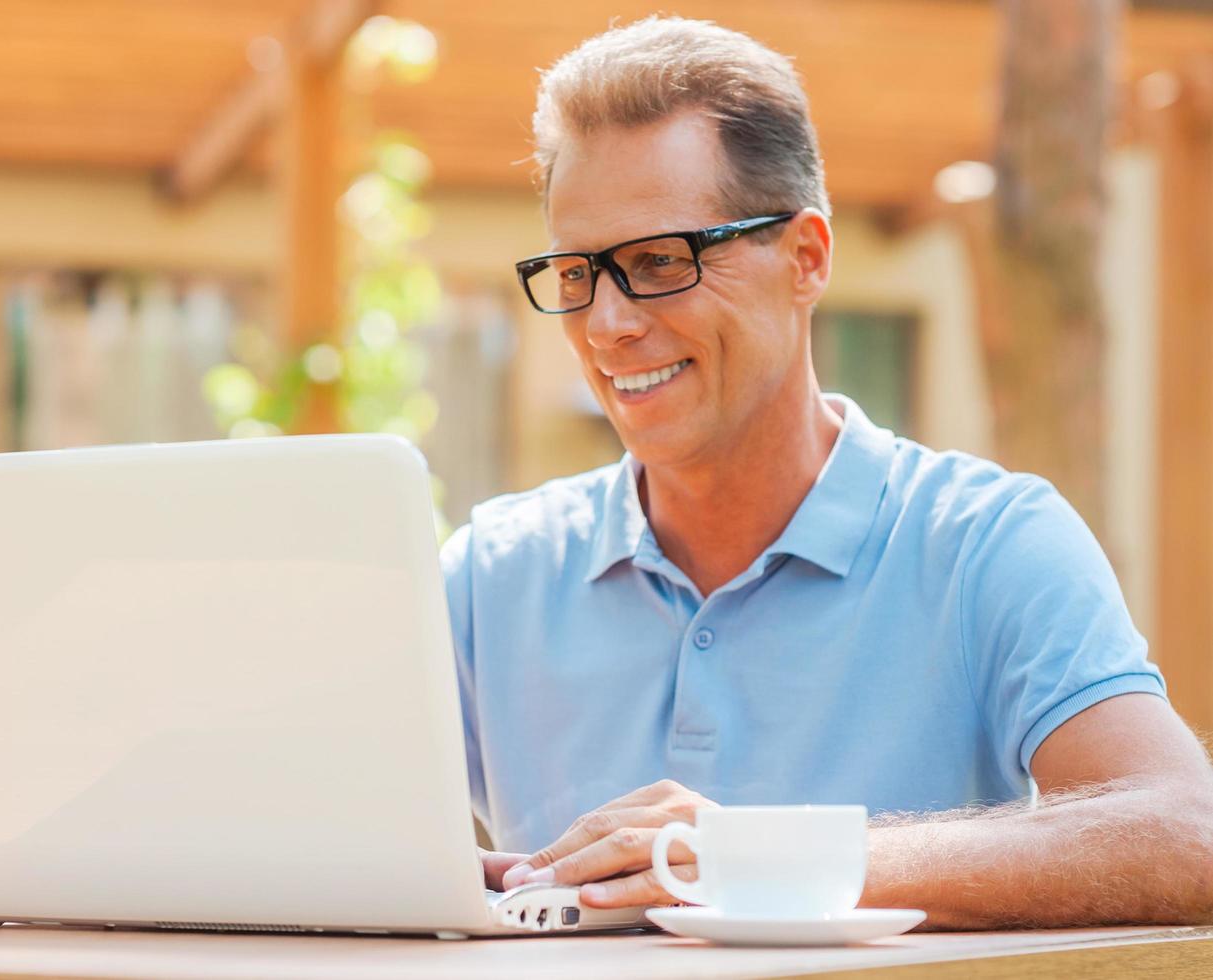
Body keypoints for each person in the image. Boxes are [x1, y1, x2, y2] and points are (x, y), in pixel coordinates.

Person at [440, 16, 1213, 929]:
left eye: (658, 261)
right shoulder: (490, 572)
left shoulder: (984, 543)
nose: (606, 323)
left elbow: (1187, 835)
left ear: (805, 257)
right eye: (576, 271)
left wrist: (761, 860)